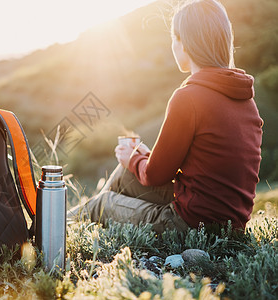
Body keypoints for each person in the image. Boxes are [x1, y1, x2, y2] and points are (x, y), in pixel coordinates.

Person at [67, 0, 263, 234]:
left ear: (186, 43)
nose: (173, 45)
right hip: (231, 224)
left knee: (102, 203)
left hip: (191, 225)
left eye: (174, 38)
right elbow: (203, 170)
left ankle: (41, 233)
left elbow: (155, 175)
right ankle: (79, 229)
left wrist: (133, 159)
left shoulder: (188, 97)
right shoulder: (247, 101)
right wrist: (140, 159)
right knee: (124, 175)